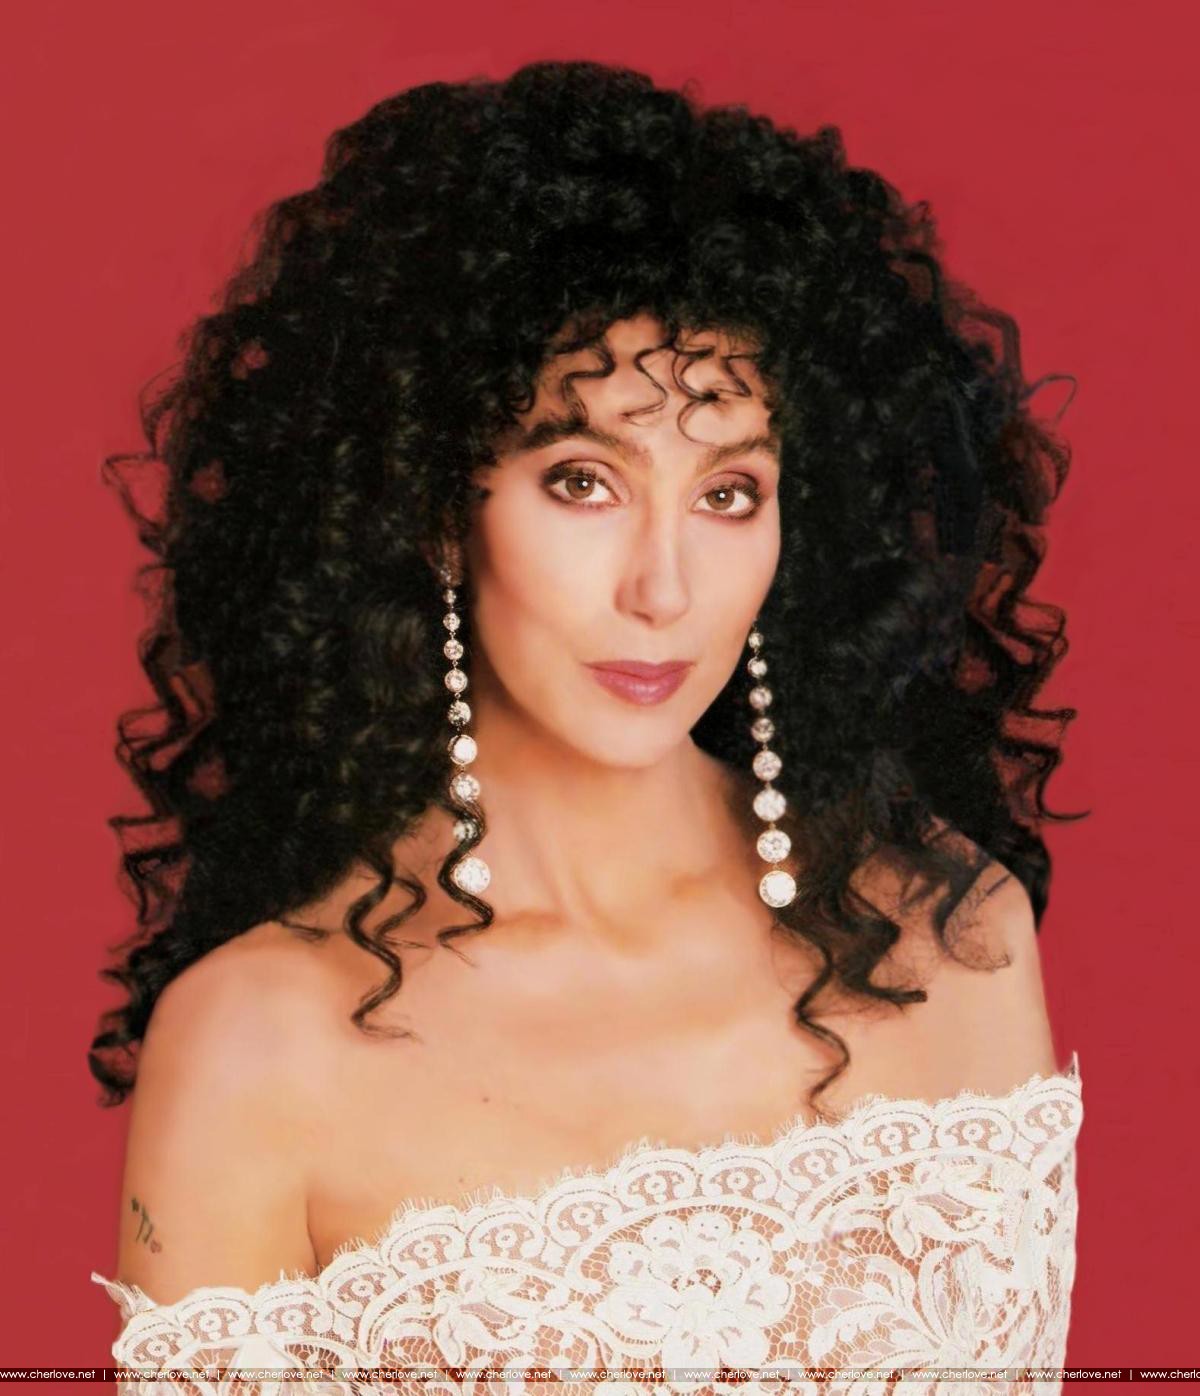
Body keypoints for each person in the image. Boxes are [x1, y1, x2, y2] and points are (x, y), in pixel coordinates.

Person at [89, 59, 1084, 1393]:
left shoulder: (952, 933)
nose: (663, 590)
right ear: (437, 508)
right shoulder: (260, 1050)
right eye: (583, 481)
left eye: (728, 494)